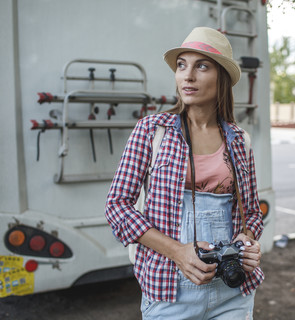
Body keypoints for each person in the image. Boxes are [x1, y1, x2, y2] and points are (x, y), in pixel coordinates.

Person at [105, 27, 264, 320]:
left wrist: (247, 241)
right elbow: (117, 206)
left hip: (232, 289)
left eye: (201, 66)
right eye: (182, 65)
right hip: (169, 291)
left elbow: (252, 212)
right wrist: (179, 252)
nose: (187, 76)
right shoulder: (153, 131)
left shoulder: (239, 139)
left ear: (222, 78)